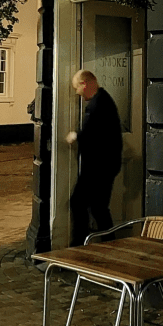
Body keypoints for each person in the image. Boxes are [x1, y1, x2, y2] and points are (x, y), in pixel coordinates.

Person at [66, 70, 123, 246]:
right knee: (98, 208)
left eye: (77, 87)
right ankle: (107, 244)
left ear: (84, 84)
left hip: (98, 167)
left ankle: (78, 246)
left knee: (79, 203)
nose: (77, 92)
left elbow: (92, 133)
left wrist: (76, 135)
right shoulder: (103, 100)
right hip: (104, 166)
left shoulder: (99, 104)